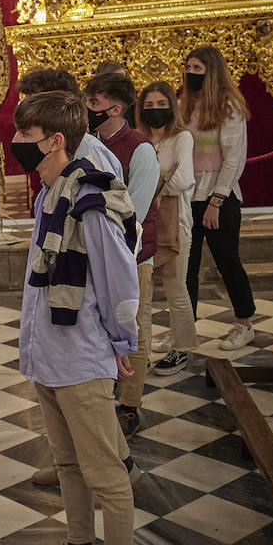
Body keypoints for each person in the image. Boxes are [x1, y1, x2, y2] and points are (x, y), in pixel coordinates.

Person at [11, 90, 139, 545]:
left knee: (107, 476)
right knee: (66, 465)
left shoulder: (88, 202)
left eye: (23, 136)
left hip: (83, 358)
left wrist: (122, 343)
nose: (14, 144)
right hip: (49, 355)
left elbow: (119, 279)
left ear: (54, 139)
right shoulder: (48, 196)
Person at [85, 73, 159, 437]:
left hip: (133, 256)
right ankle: (105, 389)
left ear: (115, 109)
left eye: (94, 104)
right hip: (97, 256)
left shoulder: (140, 149)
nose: (88, 109)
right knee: (101, 328)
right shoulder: (89, 143)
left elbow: (135, 213)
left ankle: (130, 405)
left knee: (135, 329)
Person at [181, 46, 255, 348]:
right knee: (187, 265)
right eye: (188, 67)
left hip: (217, 197)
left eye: (197, 69)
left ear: (211, 72)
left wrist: (216, 201)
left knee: (227, 262)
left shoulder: (228, 107)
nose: (190, 73)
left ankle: (244, 323)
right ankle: (185, 328)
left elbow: (233, 160)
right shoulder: (183, 103)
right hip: (188, 194)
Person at [139, 82, 200, 374]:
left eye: (160, 105)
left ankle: (182, 348)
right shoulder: (139, 140)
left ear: (171, 107)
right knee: (144, 293)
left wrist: (155, 187)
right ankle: (142, 353)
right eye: (148, 106)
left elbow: (185, 179)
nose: (155, 111)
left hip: (176, 225)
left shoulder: (182, 138)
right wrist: (164, 180)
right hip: (144, 226)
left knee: (176, 290)